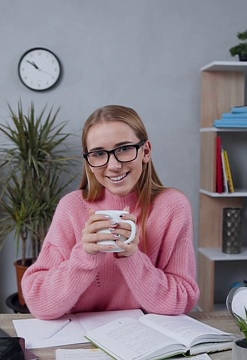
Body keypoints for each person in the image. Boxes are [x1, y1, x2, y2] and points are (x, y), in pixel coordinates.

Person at [21, 105, 199, 320]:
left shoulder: (171, 206)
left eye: (124, 149)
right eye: (98, 153)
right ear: (89, 161)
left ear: (146, 151)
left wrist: (131, 257)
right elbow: (39, 303)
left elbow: (183, 300)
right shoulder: (71, 207)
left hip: (144, 341)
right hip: (80, 340)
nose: (113, 165)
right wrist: (85, 257)